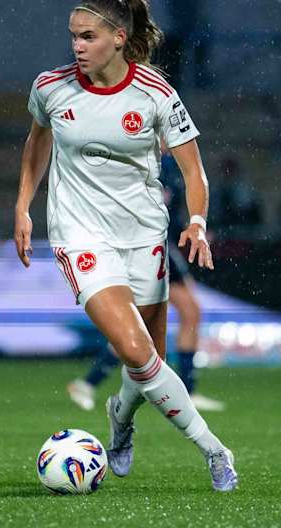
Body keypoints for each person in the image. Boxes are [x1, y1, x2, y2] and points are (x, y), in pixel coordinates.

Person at [14, 0, 238, 492]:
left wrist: (197, 222)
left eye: (88, 37)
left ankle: (119, 417)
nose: (77, 46)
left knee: (146, 365)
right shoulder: (50, 88)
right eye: (73, 36)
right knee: (137, 352)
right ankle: (214, 449)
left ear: (118, 37)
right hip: (80, 236)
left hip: (143, 235)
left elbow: (194, 171)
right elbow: (37, 140)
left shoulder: (155, 93)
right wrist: (23, 206)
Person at [67, 148, 226, 413]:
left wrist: (192, 229)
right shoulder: (134, 157)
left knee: (186, 313)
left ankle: (185, 390)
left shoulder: (170, 165)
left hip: (162, 246)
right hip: (142, 247)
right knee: (146, 320)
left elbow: (170, 213)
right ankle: (89, 382)